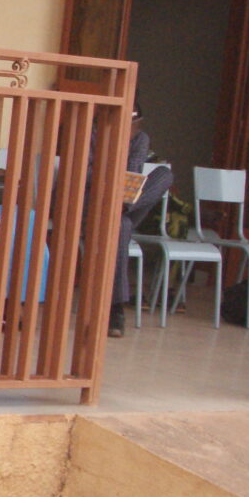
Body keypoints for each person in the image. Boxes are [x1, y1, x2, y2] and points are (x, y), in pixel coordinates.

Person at [111, 99, 172, 336]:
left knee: (164, 174)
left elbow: (133, 175)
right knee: (122, 225)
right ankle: (116, 310)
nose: (131, 129)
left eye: (135, 124)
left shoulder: (140, 139)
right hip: (92, 207)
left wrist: (123, 200)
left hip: (123, 203)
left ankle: (121, 211)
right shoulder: (93, 133)